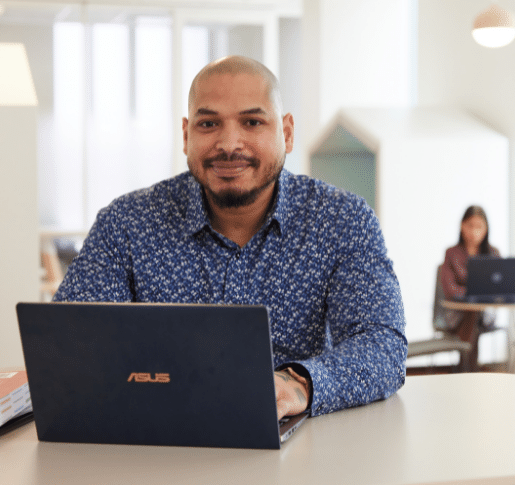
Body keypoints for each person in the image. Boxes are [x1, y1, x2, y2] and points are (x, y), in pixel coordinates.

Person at [53, 55, 407, 420]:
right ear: (187, 135)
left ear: (286, 132)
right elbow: (68, 343)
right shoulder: (126, 223)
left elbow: (382, 345)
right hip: (158, 442)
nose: (229, 143)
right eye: (209, 124)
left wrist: (296, 384)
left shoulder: (342, 220)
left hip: (295, 447)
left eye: (252, 122)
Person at [440, 205, 500, 371]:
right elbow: (450, 290)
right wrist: (476, 296)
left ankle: (465, 368)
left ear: (486, 229)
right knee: (473, 312)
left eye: (479, 227)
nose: (474, 232)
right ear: (462, 226)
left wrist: (478, 297)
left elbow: (500, 287)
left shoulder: (493, 254)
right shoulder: (452, 254)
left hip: (486, 315)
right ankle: (471, 369)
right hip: (458, 315)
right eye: (470, 226)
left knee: (477, 312)